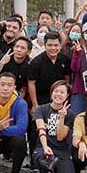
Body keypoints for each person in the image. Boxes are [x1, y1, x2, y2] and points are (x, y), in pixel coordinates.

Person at [27, 31, 71, 160]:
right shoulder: (36, 62)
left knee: (59, 125)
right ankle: (35, 156)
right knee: (37, 126)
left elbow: (67, 79)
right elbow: (31, 83)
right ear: (45, 45)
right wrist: (35, 105)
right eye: (50, 45)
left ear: (60, 45)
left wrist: (65, 98)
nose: (53, 48)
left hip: (59, 96)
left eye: (56, 45)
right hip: (41, 96)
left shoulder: (65, 59)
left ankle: (57, 154)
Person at [33, 81, 76, 173]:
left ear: (67, 95)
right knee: (41, 157)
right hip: (43, 146)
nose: (58, 94)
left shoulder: (70, 114)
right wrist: (45, 146)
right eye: (56, 91)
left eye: (62, 92)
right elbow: (41, 129)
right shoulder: (41, 109)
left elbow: (60, 137)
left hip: (61, 149)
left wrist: (62, 117)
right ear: (52, 92)